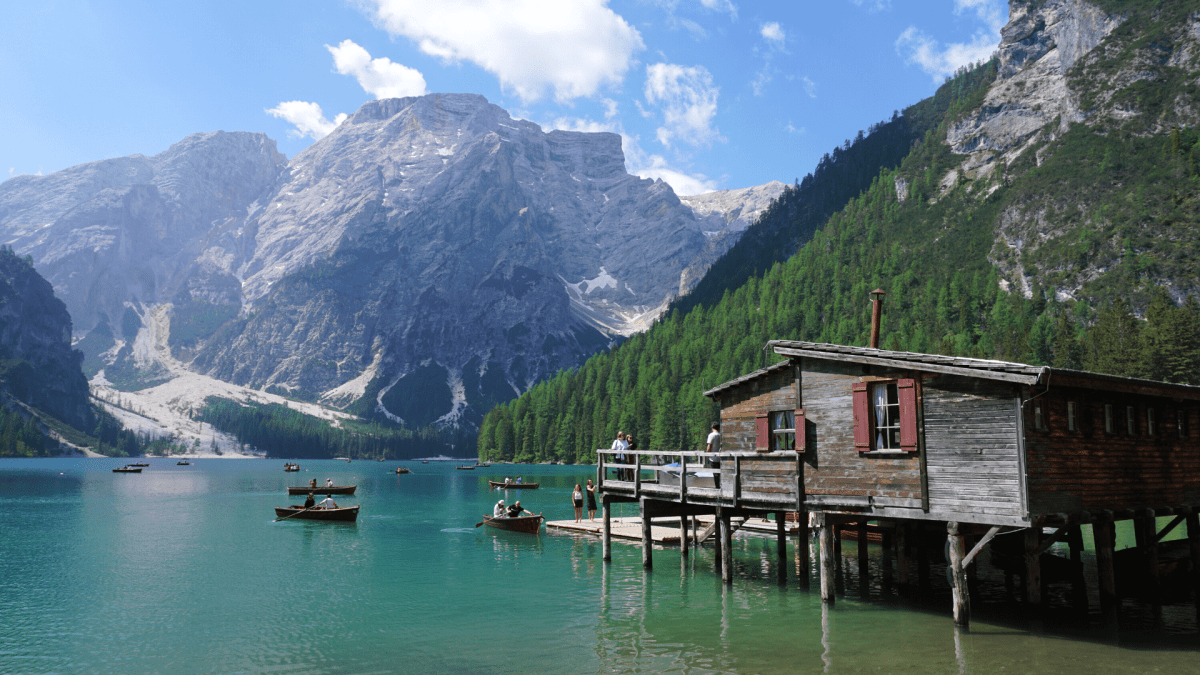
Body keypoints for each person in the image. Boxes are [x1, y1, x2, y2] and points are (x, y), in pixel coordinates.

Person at [706, 422, 722, 489]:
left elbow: (709, 446)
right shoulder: (721, 435)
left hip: (713, 458)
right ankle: (721, 486)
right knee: (720, 473)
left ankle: (717, 487)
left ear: (712, 427)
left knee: (715, 474)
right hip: (721, 457)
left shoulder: (711, 435)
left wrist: (707, 453)